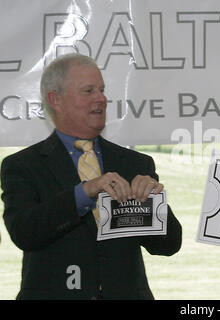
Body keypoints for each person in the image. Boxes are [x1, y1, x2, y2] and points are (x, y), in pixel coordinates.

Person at [0, 53, 182, 299]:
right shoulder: (23, 165)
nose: (101, 98)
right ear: (56, 99)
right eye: (88, 91)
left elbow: (168, 246)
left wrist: (151, 205)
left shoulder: (135, 164)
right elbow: (25, 232)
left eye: (102, 90)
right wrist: (84, 193)